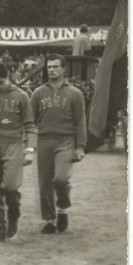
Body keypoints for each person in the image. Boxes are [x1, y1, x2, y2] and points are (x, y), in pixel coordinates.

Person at [30, 54, 87, 234]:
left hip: (66, 140)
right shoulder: (38, 93)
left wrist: (80, 147)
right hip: (45, 140)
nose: (52, 70)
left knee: (61, 178)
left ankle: (62, 208)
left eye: (55, 67)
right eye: (49, 67)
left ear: (64, 69)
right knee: (44, 182)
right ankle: (49, 220)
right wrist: (30, 143)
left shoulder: (74, 93)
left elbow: (80, 121)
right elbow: (31, 121)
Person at [0, 63, 37, 242]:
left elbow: (29, 125)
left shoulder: (22, 96)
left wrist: (29, 149)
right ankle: (0, 230)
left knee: (11, 186)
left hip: (14, 144)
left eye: (1, 82)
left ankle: (13, 218)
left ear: (9, 76)